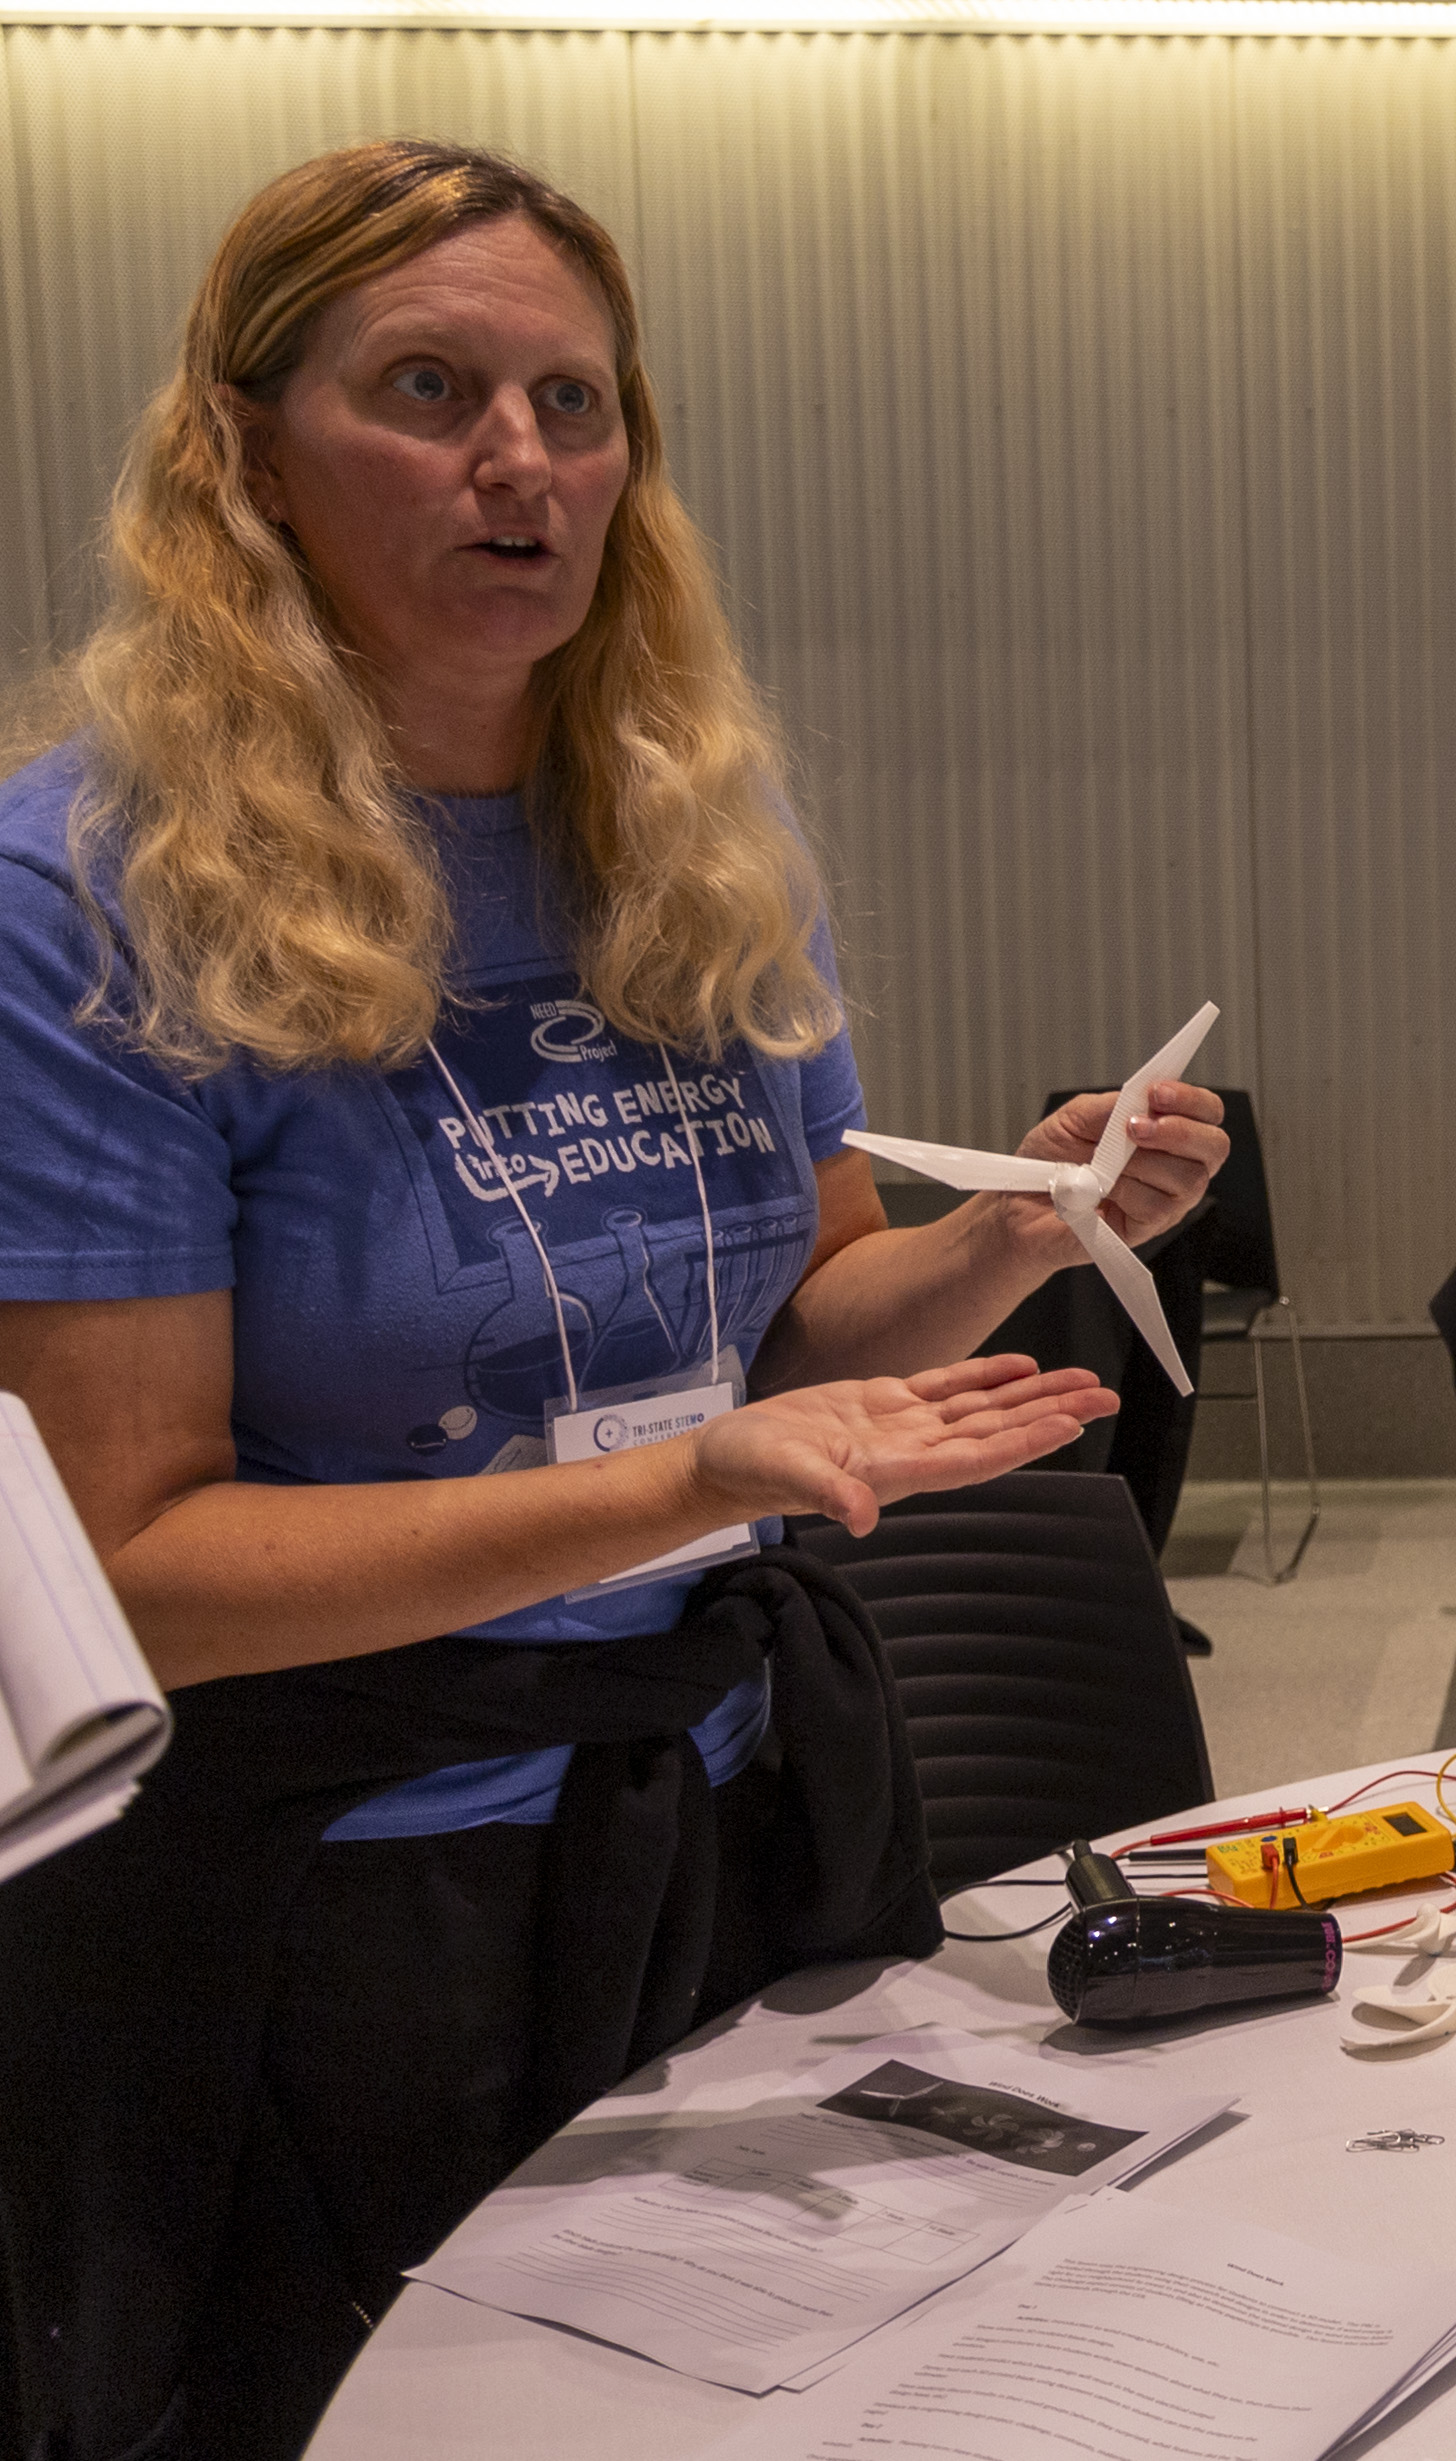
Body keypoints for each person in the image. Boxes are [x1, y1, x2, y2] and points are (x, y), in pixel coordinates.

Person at [0, 139, 1229, 2459]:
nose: (520, 461)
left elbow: (794, 1333)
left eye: (577, 403)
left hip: (729, 1814)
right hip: (339, 1918)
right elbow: (128, 1575)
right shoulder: (78, 905)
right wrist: (685, 1481)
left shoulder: (688, 837)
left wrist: (1019, 1233)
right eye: (430, 386)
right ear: (243, 449)